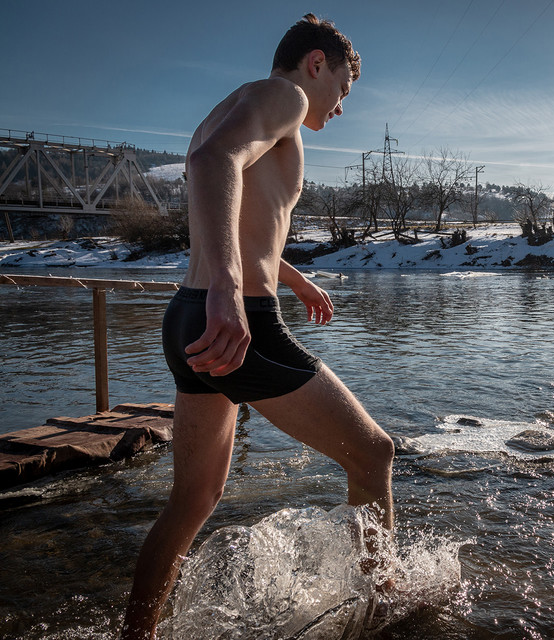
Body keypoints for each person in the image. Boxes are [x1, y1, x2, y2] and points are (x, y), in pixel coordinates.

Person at [120, 15, 395, 639]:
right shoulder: (287, 96)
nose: (341, 106)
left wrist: (291, 278)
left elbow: (232, 198)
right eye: (345, 89)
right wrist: (229, 289)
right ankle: (383, 615)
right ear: (316, 63)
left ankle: (135, 636)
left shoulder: (233, 104)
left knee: (191, 502)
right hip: (237, 321)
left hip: (191, 318)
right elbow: (210, 161)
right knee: (375, 455)